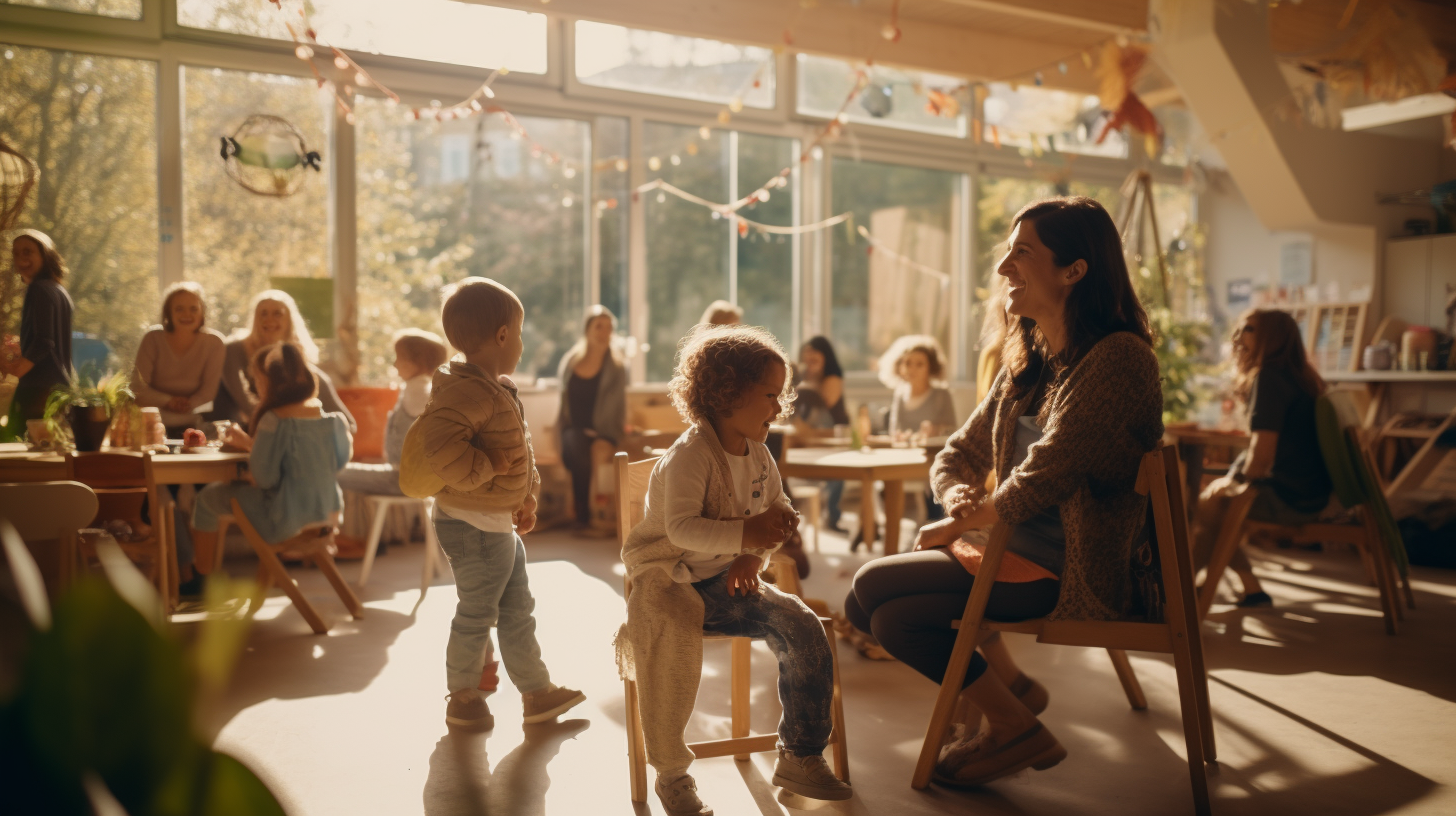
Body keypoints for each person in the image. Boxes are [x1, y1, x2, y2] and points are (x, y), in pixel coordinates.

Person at [845, 196, 1163, 788]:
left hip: (1070, 569)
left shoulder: (1119, 360)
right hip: (1007, 551)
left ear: (1075, 270)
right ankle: (1012, 702)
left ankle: (1012, 715)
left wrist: (964, 521)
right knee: (876, 611)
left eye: (1023, 252)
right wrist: (960, 495)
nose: (1003, 269)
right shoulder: (1031, 359)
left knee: (875, 594)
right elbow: (954, 452)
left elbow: (1048, 471)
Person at [619, 324, 852, 815]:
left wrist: (756, 553)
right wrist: (748, 535)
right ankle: (671, 773)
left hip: (726, 582)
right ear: (727, 393)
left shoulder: (761, 454)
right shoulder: (689, 456)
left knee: (802, 624)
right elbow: (681, 529)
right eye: (769, 395)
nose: (778, 406)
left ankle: (800, 754)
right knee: (666, 654)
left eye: (780, 395)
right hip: (669, 578)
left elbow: (777, 510)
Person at [399, 277, 584, 733]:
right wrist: (490, 466)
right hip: (471, 522)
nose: (520, 343)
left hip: (495, 520)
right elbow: (445, 452)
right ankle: (462, 696)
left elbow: (520, 449)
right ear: (502, 336)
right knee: (477, 611)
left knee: (518, 608)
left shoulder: (496, 387)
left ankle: (536, 693)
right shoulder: (466, 392)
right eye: (519, 333)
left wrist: (527, 495)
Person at [1193, 308, 1333, 607]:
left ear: (1274, 337)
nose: (1237, 336)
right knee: (1212, 502)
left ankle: (1178, 591)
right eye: (1239, 329)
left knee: (1206, 507)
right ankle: (1248, 586)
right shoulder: (1300, 378)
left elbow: (1261, 457)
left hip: (1289, 499)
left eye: (1249, 329)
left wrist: (1233, 483)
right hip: (1310, 493)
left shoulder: (1269, 378)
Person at [189, 342, 353, 575]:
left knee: (208, 498)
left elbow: (265, 479)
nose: (255, 386)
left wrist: (247, 471)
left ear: (268, 382)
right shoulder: (335, 421)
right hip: (327, 518)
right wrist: (250, 444)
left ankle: (203, 574)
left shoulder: (273, 421)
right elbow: (337, 463)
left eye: (256, 379)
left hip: (285, 522)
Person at [211, 290, 355, 434]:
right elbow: (243, 400)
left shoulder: (308, 372)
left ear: (289, 321)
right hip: (238, 432)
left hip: (278, 434)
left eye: (277, 313)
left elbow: (349, 425)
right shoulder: (232, 350)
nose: (269, 319)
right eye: (263, 313)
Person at [336, 329, 448, 496]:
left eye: (399, 358)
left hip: (403, 479)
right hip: (406, 476)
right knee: (337, 469)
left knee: (330, 472)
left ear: (414, 363)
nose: (395, 364)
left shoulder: (419, 390)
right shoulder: (418, 388)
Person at [556, 305, 627, 528]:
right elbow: (563, 402)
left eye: (609, 328)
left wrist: (603, 432)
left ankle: (584, 514)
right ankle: (582, 513)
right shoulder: (571, 362)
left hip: (604, 430)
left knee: (590, 447)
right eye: (599, 326)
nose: (604, 332)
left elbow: (618, 406)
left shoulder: (617, 367)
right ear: (587, 330)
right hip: (573, 430)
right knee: (575, 442)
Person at [131, 282, 227, 436]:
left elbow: (208, 392)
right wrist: (169, 401)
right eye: (179, 309)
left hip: (194, 421)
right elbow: (137, 388)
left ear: (202, 312)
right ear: (168, 312)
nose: (186, 314)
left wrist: (188, 404)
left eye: (193, 309)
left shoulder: (215, 343)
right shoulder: (152, 338)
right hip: (151, 420)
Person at [2, 230, 73, 431]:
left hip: (38, 390)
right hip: (60, 390)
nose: (20, 258)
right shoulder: (59, 290)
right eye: (16, 253)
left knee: (19, 454)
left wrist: (18, 368)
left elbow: (44, 341)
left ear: (45, 255)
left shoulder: (39, 289)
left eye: (27, 252)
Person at [793, 336, 850, 530]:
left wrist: (804, 382)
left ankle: (832, 516)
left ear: (825, 355)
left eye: (814, 351)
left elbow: (821, 402)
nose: (809, 355)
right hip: (806, 437)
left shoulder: (832, 379)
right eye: (806, 351)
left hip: (832, 436)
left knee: (837, 473)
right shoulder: (800, 379)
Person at [880, 334, 958, 437]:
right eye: (908, 363)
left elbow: (953, 431)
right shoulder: (900, 395)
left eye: (919, 364)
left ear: (931, 367)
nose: (912, 369)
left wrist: (936, 430)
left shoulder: (942, 395)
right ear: (900, 367)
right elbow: (894, 432)